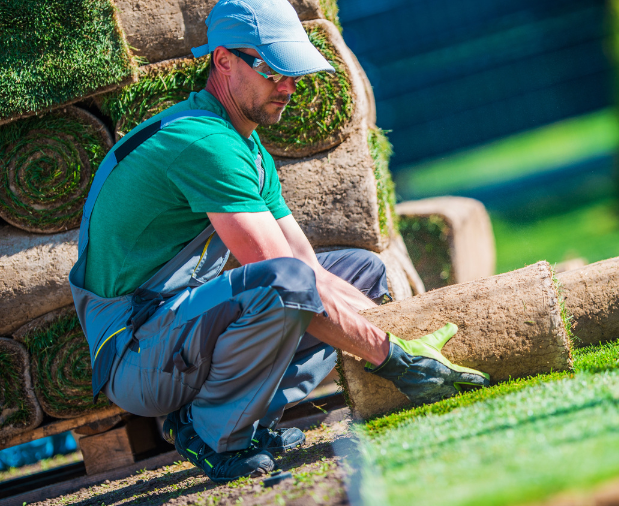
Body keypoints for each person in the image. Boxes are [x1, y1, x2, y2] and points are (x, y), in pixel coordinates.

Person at [69, 0, 489, 483]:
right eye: (273, 70)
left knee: (362, 272)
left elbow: (309, 270)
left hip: (180, 330)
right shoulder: (203, 143)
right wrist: (392, 357)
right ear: (223, 60)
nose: (288, 87)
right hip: (138, 355)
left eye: (294, 73)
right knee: (284, 284)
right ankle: (213, 434)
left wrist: (403, 337)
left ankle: (239, 419)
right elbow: (286, 280)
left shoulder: (245, 147)